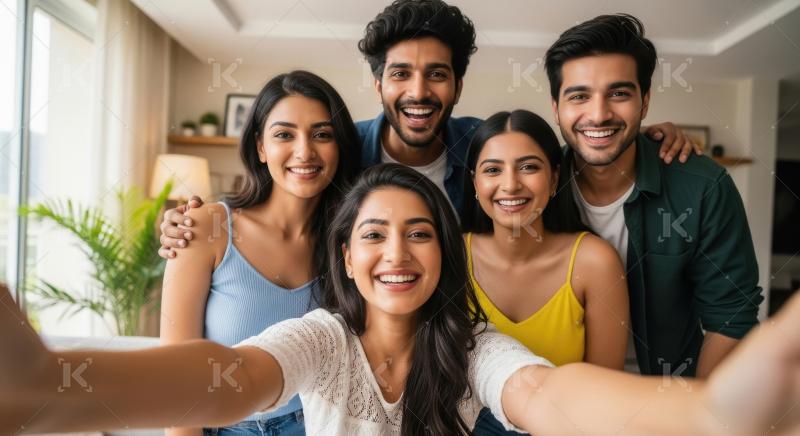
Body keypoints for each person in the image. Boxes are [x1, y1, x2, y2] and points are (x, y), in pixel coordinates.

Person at [2, 165, 799, 436]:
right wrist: (52, 389)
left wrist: (707, 411)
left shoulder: (471, 345)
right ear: (346, 258)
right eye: (374, 235)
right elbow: (233, 380)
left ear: (443, 254)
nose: (397, 254)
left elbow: (546, 394)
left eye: (420, 234)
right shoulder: (319, 337)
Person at [155, 0, 699, 257]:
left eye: (437, 74)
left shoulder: (484, 147)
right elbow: (277, 197)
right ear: (378, 85)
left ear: (457, 86)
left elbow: (563, 154)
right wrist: (191, 220)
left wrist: (642, 133)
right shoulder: (340, 152)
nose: (419, 91)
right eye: (401, 75)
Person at [544, 14, 763, 377]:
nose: (598, 114)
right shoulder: (533, 188)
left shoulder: (704, 187)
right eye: (579, 96)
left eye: (619, 94)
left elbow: (732, 317)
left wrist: (694, 405)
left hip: (669, 387)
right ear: (556, 107)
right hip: (561, 392)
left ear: (644, 103)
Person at [160, 71, 361, 436]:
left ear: (340, 147)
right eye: (284, 134)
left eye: (322, 134)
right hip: (225, 426)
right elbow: (176, 375)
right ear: (260, 147)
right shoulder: (204, 228)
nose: (305, 151)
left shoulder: (351, 244)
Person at [461, 110, 629, 435]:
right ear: (474, 183)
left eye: (528, 167)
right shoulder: (450, 257)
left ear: (553, 179)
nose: (511, 184)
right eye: (493, 169)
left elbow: (603, 393)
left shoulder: (594, 262)